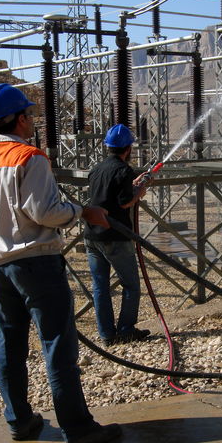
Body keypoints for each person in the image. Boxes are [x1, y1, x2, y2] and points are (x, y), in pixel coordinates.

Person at [0, 83, 121, 443]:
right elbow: (44, 212)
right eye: (28, 115)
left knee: (10, 344)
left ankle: (19, 420)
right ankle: (78, 430)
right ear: (18, 119)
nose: (32, 121)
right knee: (58, 344)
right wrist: (83, 211)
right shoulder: (30, 157)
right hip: (36, 264)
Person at [84, 123, 151, 346]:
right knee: (131, 284)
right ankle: (126, 330)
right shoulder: (124, 170)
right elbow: (124, 203)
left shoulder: (97, 169)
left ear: (109, 146)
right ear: (128, 148)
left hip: (92, 235)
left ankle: (106, 334)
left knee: (100, 286)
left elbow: (107, 194)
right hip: (115, 236)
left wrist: (131, 185)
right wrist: (139, 192)